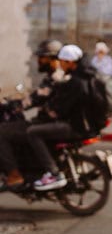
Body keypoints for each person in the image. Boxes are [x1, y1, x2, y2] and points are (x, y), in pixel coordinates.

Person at [0, 44, 97, 192]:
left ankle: (15, 175)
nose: (39, 61)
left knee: (8, 132)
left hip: (60, 123)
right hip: (67, 122)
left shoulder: (57, 76)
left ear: (54, 59)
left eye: (42, 58)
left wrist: (11, 105)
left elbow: (36, 98)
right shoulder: (72, 76)